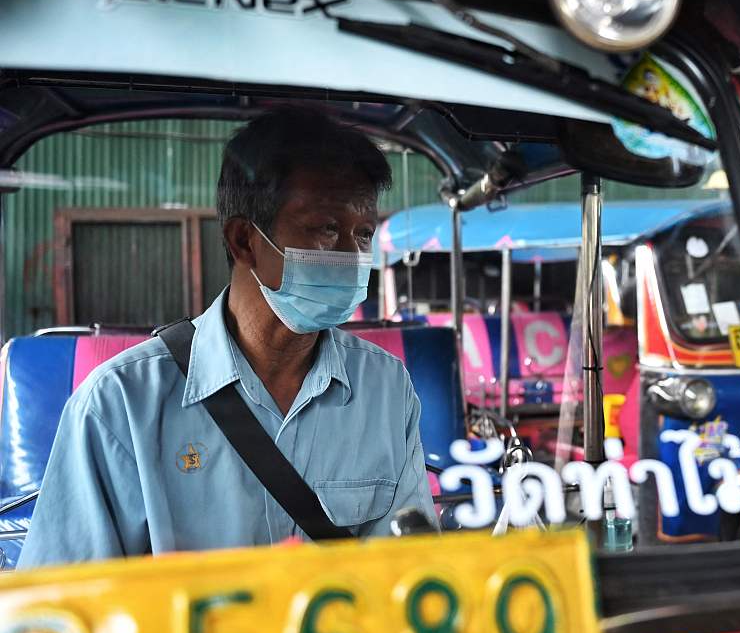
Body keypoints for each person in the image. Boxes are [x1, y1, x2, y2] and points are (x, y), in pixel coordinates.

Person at [19, 108, 434, 568]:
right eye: (326, 229)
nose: (353, 257)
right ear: (243, 240)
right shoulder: (119, 406)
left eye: (363, 234)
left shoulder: (387, 390)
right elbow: (63, 615)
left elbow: (406, 576)